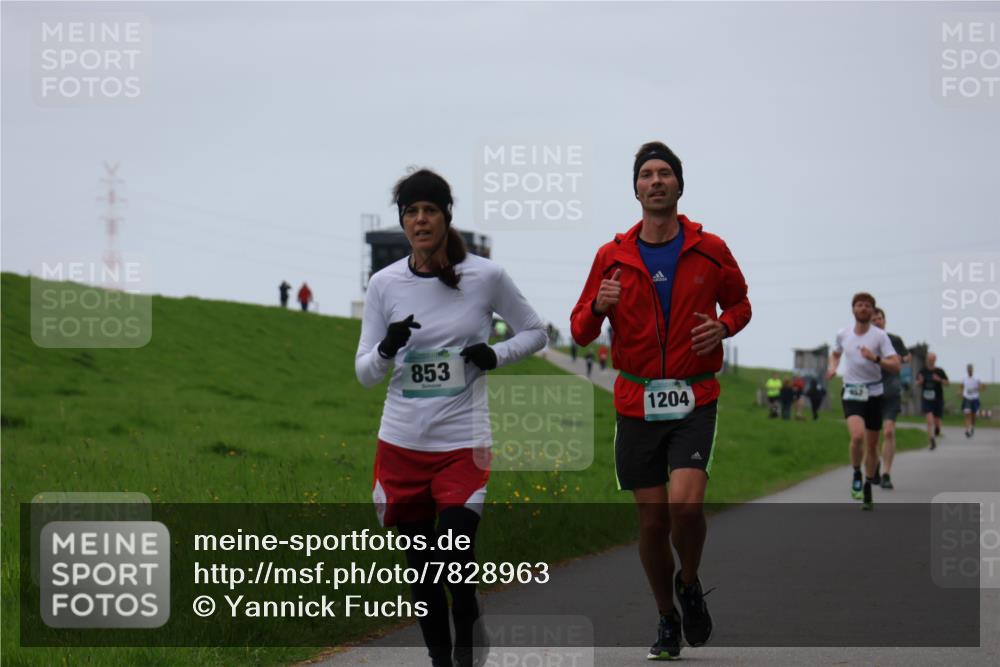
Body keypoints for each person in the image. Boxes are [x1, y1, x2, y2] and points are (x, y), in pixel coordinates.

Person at [355, 168, 546, 667]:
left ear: (446, 217)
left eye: (430, 210)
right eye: (412, 212)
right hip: (400, 446)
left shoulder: (485, 276)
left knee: (455, 563)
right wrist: (387, 347)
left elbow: (535, 331)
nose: (421, 220)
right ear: (403, 222)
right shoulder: (384, 284)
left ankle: (467, 644)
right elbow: (364, 374)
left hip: (462, 445)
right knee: (422, 576)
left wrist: (494, 355)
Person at [570, 141, 751, 660]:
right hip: (635, 401)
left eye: (664, 173)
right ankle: (667, 617)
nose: (655, 181)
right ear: (635, 188)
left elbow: (740, 302)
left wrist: (723, 326)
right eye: (646, 174)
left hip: (695, 396)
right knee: (651, 522)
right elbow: (580, 331)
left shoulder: (710, 248)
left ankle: (688, 582)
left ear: (678, 185)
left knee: (686, 506)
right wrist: (597, 308)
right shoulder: (612, 256)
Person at [826, 293, 899, 511]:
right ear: (853, 309)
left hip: (874, 394)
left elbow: (895, 366)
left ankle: (868, 484)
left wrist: (875, 358)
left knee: (872, 445)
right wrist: (832, 367)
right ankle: (857, 472)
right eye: (860, 305)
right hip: (851, 391)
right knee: (857, 436)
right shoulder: (843, 334)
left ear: (872, 310)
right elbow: (836, 353)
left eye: (868, 306)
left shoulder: (879, 337)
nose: (863, 308)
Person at [871, 307, 910, 490]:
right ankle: (876, 464)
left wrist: (903, 359)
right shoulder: (866, 342)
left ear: (884, 321)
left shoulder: (895, 340)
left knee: (888, 431)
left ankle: (886, 473)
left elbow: (906, 356)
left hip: (891, 392)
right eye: (874, 320)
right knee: (873, 435)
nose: (877, 322)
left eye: (880, 319)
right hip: (871, 393)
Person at [917, 352, 949, 450]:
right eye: (929, 359)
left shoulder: (939, 371)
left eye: (932, 360)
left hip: (938, 399)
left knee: (937, 421)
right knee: (929, 420)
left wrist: (939, 379)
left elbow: (947, 383)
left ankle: (938, 429)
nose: (930, 361)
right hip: (927, 399)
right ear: (927, 360)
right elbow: (916, 382)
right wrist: (920, 382)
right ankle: (931, 440)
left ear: (935, 360)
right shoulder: (922, 371)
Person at [960, 364, 985, 438]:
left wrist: (978, 388)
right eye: (968, 369)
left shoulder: (977, 378)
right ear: (967, 370)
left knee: (973, 415)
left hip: (975, 398)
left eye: (971, 369)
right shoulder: (964, 378)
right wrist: (959, 392)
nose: (969, 370)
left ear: (972, 370)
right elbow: (961, 387)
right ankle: (967, 430)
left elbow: (983, 386)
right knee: (967, 414)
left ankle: (972, 427)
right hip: (967, 398)